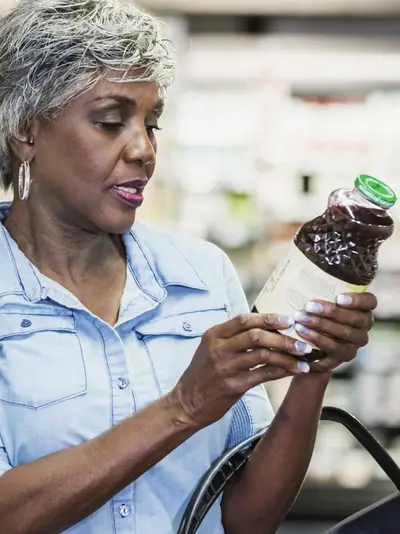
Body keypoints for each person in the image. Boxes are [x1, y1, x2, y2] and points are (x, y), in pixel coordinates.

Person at [0, 1, 376, 533]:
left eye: (152, 123)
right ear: (25, 130)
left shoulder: (200, 275)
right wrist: (184, 405)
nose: (144, 150)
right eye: (110, 122)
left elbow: (246, 519)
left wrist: (314, 369)